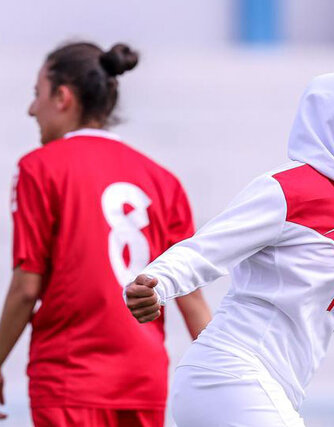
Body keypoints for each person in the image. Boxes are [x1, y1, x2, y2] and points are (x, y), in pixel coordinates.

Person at [125, 62, 334, 426]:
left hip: (264, 389)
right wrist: (156, 284)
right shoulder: (291, 190)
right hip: (228, 379)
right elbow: (205, 250)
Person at [0, 42, 211, 426]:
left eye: (37, 93)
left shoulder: (38, 168)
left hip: (70, 379)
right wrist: (228, 379)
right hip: (144, 382)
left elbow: (26, 288)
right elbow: (192, 299)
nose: (32, 108)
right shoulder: (164, 181)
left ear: (62, 97)